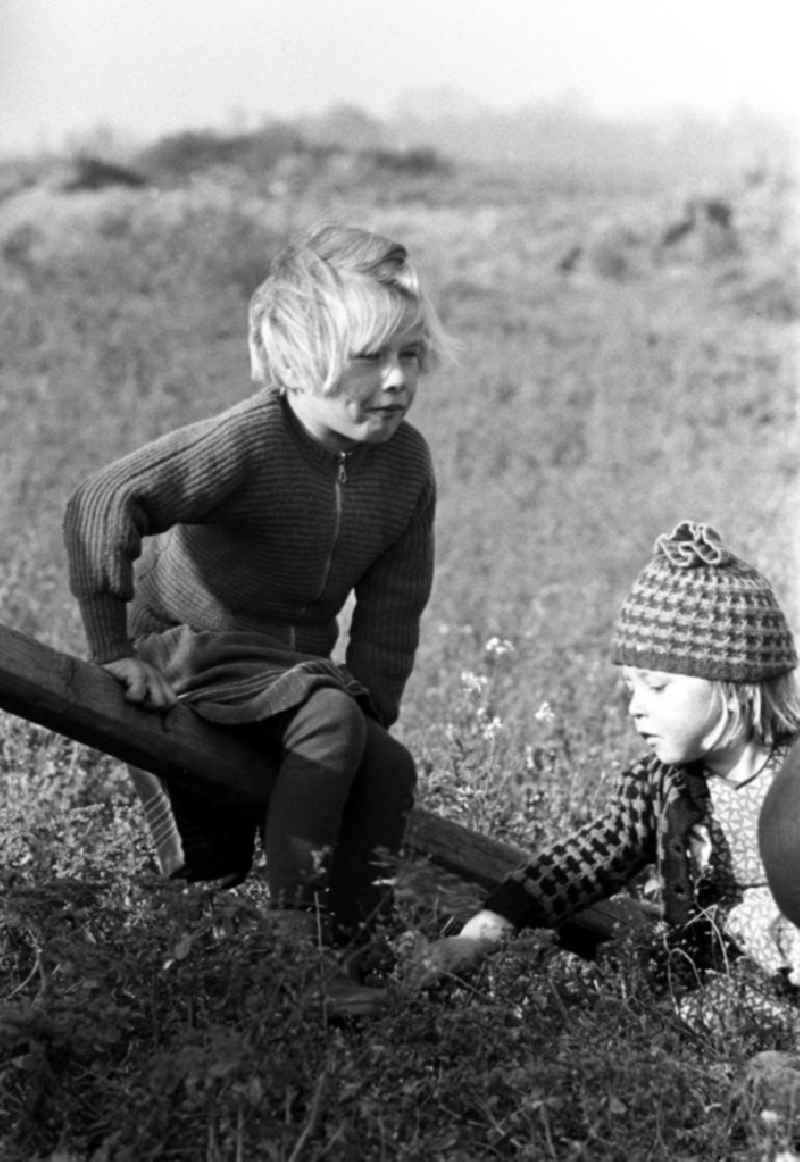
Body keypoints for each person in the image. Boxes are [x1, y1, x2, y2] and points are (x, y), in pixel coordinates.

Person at [63, 224, 448, 967]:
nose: (396, 380)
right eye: (368, 359)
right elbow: (104, 498)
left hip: (291, 675)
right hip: (188, 648)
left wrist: (372, 725)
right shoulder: (250, 442)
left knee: (388, 763)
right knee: (330, 716)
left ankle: (358, 946)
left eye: (410, 355)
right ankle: (290, 943)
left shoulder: (406, 465)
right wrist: (112, 650)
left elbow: (394, 606)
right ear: (298, 365)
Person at [413, 521, 800, 1029]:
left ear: (735, 685)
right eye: (630, 688)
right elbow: (580, 864)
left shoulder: (790, 773)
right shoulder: (662, 787)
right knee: (710, 1030)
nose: (637, 708)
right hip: (719, 984)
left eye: (657, 687)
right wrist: (485, 929)